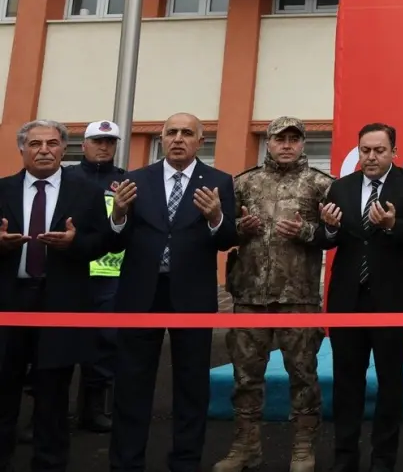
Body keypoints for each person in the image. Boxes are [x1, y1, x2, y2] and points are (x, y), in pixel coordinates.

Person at [107, 112, 238, 472]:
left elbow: (228, 240)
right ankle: (126, 463)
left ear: (201, 141)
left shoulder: (218, 182)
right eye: (171, 132)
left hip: (192, 296)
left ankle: (185, 462)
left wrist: (216, 218)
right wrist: (118, 214)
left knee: (191, 387)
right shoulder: (135, 180)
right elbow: (115, 240)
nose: (178, 138)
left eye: (187, 133)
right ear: (162, 139)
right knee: (132, 384)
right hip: (140, 295)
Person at [215, 117, 332, 472]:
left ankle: (303, 448)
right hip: (250, 296)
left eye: (294, 139)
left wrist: (306, 230)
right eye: (280, 139)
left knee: (304, 375)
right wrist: (241, 228)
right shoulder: (244, 183)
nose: (287, 145)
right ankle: (246, 446)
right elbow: (222, 232)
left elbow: (335, 233)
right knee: (245, 376)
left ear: (303, 144)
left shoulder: (321, 184)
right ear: (268, 142)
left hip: (299, 297)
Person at [0, 120, 112, 472]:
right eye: (35, 144)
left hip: (60, 302)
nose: (44, 150)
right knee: (3, 386)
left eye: (52, 143)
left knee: (52, 392)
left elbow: (103, 243)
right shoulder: (2, 189)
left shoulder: (87, 192)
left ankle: (49, 463)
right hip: (9, 301)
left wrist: (74, 244)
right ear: (22, 149)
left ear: (65, 149)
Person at [318, 122, 403, 472]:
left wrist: (393, 225)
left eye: (379, 150)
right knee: (346, 382)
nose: (371, 157)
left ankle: (383, 459)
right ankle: (345, 458)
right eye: (365, 150)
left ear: (393, 151)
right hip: (347, 299)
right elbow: (326, 239)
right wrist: (329, 227)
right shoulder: (341, 187)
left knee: (390, 382)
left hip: (391, 299)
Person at [70, 119, 126, 434]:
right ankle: (44, 412)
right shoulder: (66, 178)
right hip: (72, 272)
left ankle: (93, 409)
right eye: (97, 141)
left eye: (110, 142)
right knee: (58, 342)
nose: (104, 147)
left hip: (110, 275)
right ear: (84, 144)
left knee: (105, 342)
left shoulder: (126, 181)